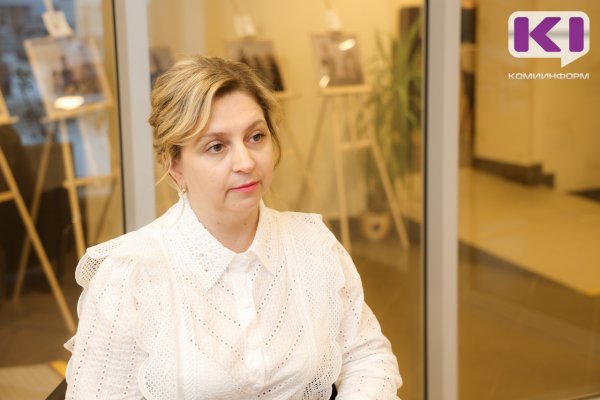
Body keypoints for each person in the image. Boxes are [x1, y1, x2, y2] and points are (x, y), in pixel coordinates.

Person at [64, 56, 402, 399]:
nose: (245, 162)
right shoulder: (129, 274)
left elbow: (368, 357)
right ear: (175, 165)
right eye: (216, 146)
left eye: (256, 137)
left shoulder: (313, 245)